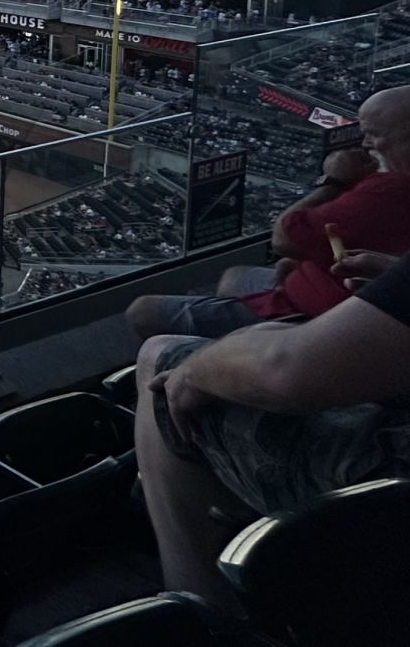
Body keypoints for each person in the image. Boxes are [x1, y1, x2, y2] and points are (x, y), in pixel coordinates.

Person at [137, 247, 410, 610]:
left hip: (393, 493)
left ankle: (204, 616)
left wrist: (192, 373)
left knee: (161, 357)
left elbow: (288, 372)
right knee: (258, 340)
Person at [129, 88, 410, 339]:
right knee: (233, 276)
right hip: (323, 288)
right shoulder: (386, 179)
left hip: (311, 318)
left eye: (373, 134)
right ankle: (223, 346)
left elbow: (284, 238)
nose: (364, 144)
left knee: (142, 311)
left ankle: (212, 362)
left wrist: (334, 181)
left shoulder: (389, 189)